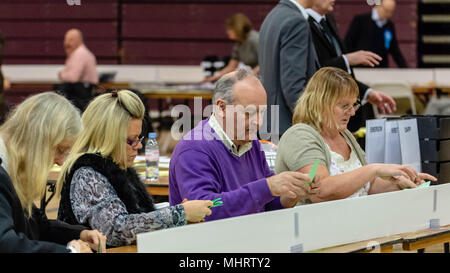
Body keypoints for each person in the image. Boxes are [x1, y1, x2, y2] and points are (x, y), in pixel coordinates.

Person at [57, 90, 213, 247]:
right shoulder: (86, 174)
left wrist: (177, 210)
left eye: (139, 138)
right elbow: (116, 230)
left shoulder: (116, 165)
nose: (139, 146)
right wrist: (179, 213)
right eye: (131, 140)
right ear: (107, 138)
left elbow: (136, 214)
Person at [169, 68, 316, 221]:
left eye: (262, 112)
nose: (258, 122)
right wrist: (267, 187)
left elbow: (265, 203)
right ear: (221, 108)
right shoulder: (194, 149)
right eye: (249, 113)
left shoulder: (250, 142)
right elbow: (208, 209)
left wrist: (289, 197)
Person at [275, 67, 436, 204]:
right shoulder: (300, 136)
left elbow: (368, 186)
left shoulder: (344, 135)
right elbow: (321, 191)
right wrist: (373, 169)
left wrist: (401, 184)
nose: (351, 112)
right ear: (320, 103)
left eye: (354, 105)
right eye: (344, 106)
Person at [0, 92, 106, 253]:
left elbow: (37, 226)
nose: (61, 162)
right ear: (37, 140)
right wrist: (70, 251)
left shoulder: (11, 166)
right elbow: (6, 245)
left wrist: (80, 234)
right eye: (60, 149)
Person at [306, 0, 396, 132]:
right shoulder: (302, 24)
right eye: (386, 10)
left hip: (340, 113)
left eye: (391, 12)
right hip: (323, 113)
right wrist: (347, 59)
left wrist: (368, 93)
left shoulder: (327, 21)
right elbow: (316, 70)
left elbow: (341, 73)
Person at [259, 0, 320, 140]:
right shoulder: (296, 21)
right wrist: (312, 123)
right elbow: (292, 85)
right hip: (288, 126)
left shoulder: (273, 15)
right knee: (315, 163)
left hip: (270, 123)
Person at [345, 0, 407, 68]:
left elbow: (395, 50)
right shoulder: (361, 20)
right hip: (362, 67)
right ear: (378, 6)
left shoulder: (389, 25)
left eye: (391, 12)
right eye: (386, 10)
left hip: (381, 68)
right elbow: (349, 43)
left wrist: (405, 68)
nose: (388, 14)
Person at [204, 13, 260, 82]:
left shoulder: (255, 39)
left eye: (229, 29)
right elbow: (231, 66)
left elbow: (264, 63)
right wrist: (214, 78)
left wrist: (249, 76)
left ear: (237, 28)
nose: (227, 32)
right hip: (253, 78)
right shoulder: (239, 43)